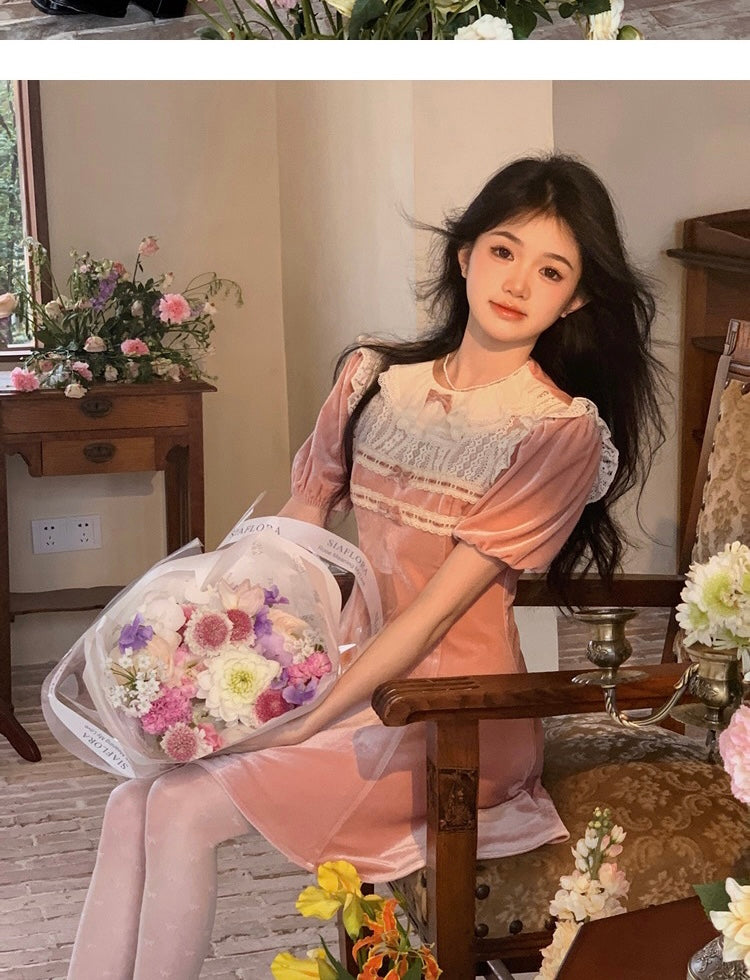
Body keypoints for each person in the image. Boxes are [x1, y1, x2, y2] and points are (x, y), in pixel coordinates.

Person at [67, 153, 665, 979]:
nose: (518, 282)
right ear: (465, 253)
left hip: (455, 715)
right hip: (349, 679)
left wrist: (308, 718)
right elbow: (300, 521)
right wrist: (211, 640)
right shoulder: (373, 380)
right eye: (503, 250)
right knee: (131, 799)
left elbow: (433, 616)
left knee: (181, 807)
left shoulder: (557, 431)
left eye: (551, 270)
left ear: (577, 299)